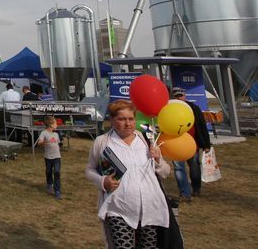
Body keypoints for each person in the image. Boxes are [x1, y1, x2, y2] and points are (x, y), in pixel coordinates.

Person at [85, 99, 171, 248]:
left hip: (150, 208)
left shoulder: (146, 140)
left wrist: (157, 159)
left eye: (131, 119)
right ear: (111, 120)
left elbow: (165, 172)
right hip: (119, 208)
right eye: (122, 119)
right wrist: (102, 181)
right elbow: (89, 170)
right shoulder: (102, 142)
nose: (128, 123)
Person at [170, 87, 211, 201]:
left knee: (195, 167)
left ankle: (196, 188)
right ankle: (184, 193)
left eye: (181, 95)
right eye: (176, 96)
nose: (179, 98)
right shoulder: (168, 108)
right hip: (176, 145)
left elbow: (202, 126)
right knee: (179, 168)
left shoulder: (194, 108)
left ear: (185, 96)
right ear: (172, 97)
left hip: (193, 144)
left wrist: (207, 144)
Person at [36, 115, 62, 199]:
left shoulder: (56, 134)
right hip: (48, 158)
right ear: (51, 124)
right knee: (48, 171)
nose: (57, 125)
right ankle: (49, 184)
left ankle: (57, 191)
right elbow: (39, 142)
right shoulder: (44, 133)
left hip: (57, 157)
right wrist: (42, 143)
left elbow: (57, 143)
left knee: (57, 172)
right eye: (55, 123)